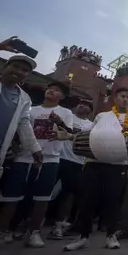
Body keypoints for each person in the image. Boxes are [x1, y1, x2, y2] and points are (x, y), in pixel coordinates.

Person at [0, 81, 72, 249]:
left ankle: (34, 232)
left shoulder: (65, 113)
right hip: (23, 157)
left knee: (42, 199)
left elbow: (69, 134)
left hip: (50, 159)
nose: (51, 91)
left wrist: (60, 127)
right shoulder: (30, 110)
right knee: (11, 198)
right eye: (50, 88)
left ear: (62, 97)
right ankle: (0, 233)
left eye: (57, 90)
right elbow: (17, 131)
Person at [64, 87, 128, 251]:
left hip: (118, 164)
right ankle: (83, 236)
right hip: (95, 161)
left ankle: (111, 235)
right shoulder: (102, 116)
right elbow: (91, 135)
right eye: (123, 96)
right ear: (115, 98)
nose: (126, 99)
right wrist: (70, 136)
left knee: (113, 200)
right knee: (87, 199)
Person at [0, 37, 43, 249]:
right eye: (15, 66)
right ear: (5, 66)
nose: (18, 72)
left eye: (23, 70)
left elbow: (24, 124)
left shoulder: (24, 98)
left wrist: (35, 149)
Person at [48, 99, 94, 240]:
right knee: (45, 191)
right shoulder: (68, 117)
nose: (82, 105)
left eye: (86, 104)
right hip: (57, 157)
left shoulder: (91, 125)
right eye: (80, 103)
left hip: (76, 161)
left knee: (67, 194)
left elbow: (80, 137)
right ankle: (30, 223)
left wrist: (61, 124)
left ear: (89, 110)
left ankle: (58, 226)